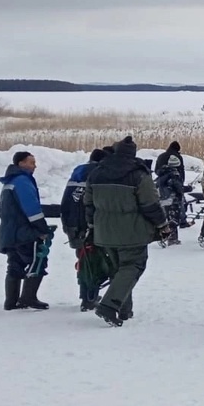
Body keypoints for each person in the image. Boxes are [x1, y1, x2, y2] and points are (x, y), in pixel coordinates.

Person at [84, 136, 170, 326]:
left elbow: (88, 203)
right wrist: (162, 224)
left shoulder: (97, 172)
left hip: (104, 231)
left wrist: (92, 226)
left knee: (118, 269)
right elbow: (150, 204)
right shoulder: (138, 174)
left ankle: (124, 310)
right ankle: (109, 306)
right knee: (133, 266)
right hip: (132, 231)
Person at [0, 151, 53, 311]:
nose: (34, 166)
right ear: (21, 164)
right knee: (37, 262)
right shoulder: (23, 181)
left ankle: (11, 301)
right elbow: (32, 209)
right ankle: (28, 297)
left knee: (15, 265)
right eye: (31, 162)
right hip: (24, 232)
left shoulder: (10, 181)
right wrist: (43, 229)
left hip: (9, 232)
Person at [61, 148, 108, 311]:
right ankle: (90, 298)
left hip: (72, 224)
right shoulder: (99, 174)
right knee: (94, 262)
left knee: (83, 261)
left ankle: (85, 294)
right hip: (89, 226)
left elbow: (66, 200)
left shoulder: (77, 173)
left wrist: (67, 225)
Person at [154, 150, 186, 246]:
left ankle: (171, 238)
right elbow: (178, 187)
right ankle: (166, 238)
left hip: (163, 199)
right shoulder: (174, 174)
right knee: (174, 219)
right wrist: (185, 189)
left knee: (167, 218)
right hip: (173, 199)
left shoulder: (163, 173)